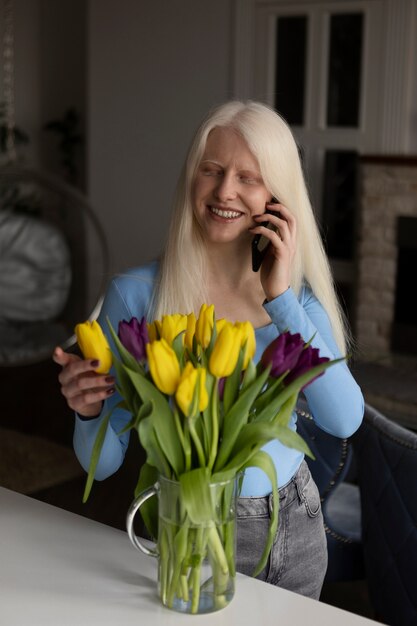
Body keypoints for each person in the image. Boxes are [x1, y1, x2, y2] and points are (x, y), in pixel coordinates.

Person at [53, 100, 364, 599]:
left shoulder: (297, 302)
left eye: (249, 178)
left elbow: (344, 419)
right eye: (212, 170)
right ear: (191, 180)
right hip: (190, 525)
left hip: (296, 526)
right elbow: (102, 464)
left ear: (278, 198)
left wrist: (280, 300)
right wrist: (88, 412)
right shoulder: (136, 295)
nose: (225, 191)